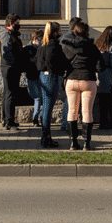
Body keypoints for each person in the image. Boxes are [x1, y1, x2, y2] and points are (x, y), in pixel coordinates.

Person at [61, 19, 104, 150]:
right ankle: (87, 144)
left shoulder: (68, 46)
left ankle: (73, 143)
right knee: (87, 112)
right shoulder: (93, 47)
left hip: (72, 80)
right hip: (88, 81)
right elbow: (101, 66)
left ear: (74, 32)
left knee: (72, 111)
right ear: (87, 32)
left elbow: (63, 64)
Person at [36, 21, 68, 149]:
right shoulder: (53, 44)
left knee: (46, 108)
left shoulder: (43, 43)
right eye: (59, 31)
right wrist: (60, 70)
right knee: (48, 109)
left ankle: (46, 137)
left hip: (44, 76)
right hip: (51, 77)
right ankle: (45, 138)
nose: (60, 33)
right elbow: (52, 61)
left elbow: (38, 61)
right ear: (55, 32)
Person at [0, 14, 24, 130]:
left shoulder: (10, 34)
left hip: (11, 67)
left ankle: (7, 119)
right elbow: (6, 53)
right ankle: (9, 121)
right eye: (17, 23)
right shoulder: (6, 34)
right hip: (9, 68)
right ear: (10, 24)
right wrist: (14, 63)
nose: (19, 25)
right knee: (10, 94)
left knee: (8, 93)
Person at [94, 26, 112, 129]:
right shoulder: (111, 47)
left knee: (101, 102)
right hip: (108, 75)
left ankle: (102, 122)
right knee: (111, 102)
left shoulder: (97, 45)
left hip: (98, 76)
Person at [25, 29, 43, 127]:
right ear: (35, 39)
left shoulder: (41, 47)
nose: (41, 41)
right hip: (32, 76)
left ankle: (36, 119)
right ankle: (36, 118)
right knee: (36, 96)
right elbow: (28, 62)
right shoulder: (28, 49)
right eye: (40, 39)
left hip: (41, 75)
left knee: (39, 98)